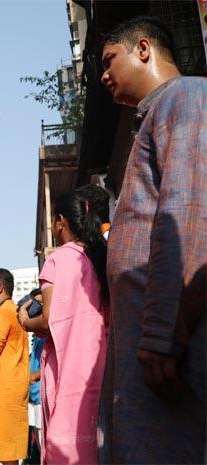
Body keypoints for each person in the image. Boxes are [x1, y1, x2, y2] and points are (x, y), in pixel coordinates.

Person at [99, 15, 207, 463]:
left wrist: (163, 332)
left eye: (109, 61)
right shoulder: (157, 114)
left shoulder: (185, 95)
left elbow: (186, 213)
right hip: (153, 343)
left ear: (143, 49)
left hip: (173, 345)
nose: (104, 76)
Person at [17, 191, 108, 465]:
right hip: (103, 366)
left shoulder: (57, 260)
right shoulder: (102, 256)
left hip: (68, 367)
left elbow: (48, 319)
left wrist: (23, 319)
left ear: (61, 221)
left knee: (66, 442)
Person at [0, 268, 29, 465]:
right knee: (10, 453)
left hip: (2, 392)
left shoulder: (2, 314)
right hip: (15, 389)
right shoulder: (15, 311)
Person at [26, 288, 44, 464]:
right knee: (38, 444)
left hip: (42, 395)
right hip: (34, 395)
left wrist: (34, 376)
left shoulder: (46, 331)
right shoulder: (38, 335)